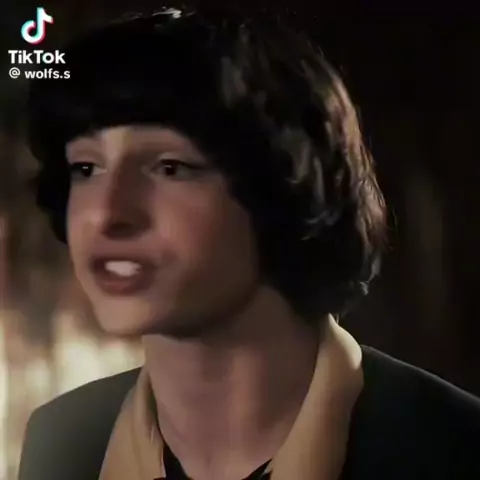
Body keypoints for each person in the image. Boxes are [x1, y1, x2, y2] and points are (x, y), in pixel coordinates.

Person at [18, 6, 480, 480]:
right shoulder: (64, 441)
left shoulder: (453, 448)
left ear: (280, 188)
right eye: (86, 169)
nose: (107, 213)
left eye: (170, 167)